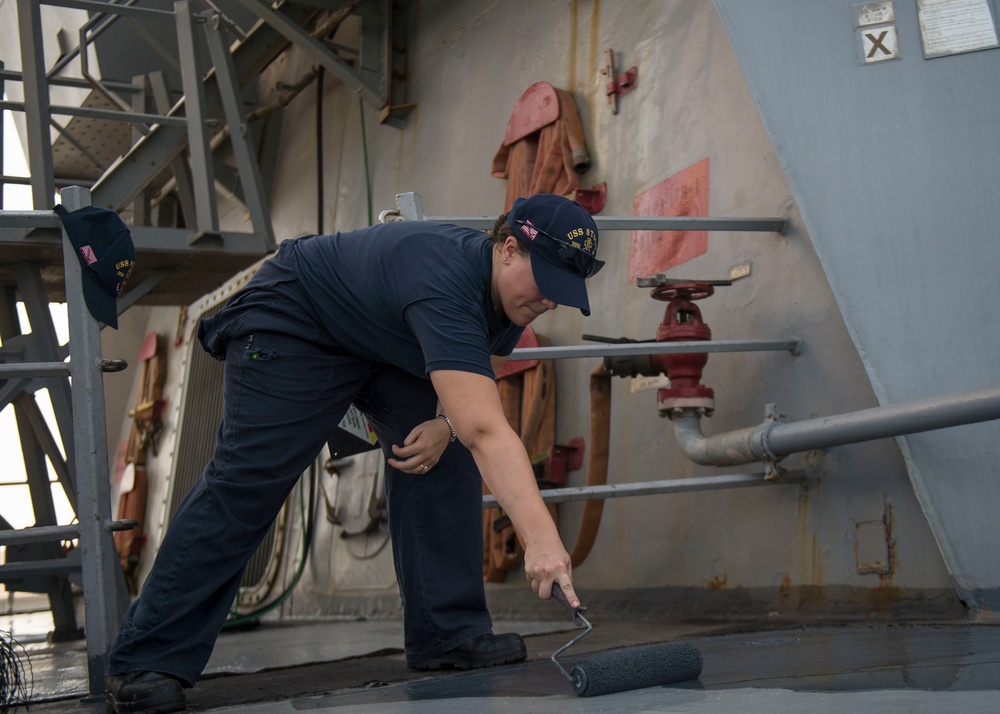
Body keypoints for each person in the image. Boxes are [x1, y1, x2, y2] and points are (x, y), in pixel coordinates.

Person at [105, 193, 604, 714]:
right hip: (296, 318)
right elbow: (488, 429)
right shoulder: (444, 281)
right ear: (507, 249)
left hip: (380, 344)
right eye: (545, 281)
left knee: (440, 451)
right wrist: (542, 540)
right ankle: (147, 656)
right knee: (248, 480)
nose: (550, 299)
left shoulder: (509, 300)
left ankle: (447, 634)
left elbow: (470, 403)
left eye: (561, 291)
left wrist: (446, 425)